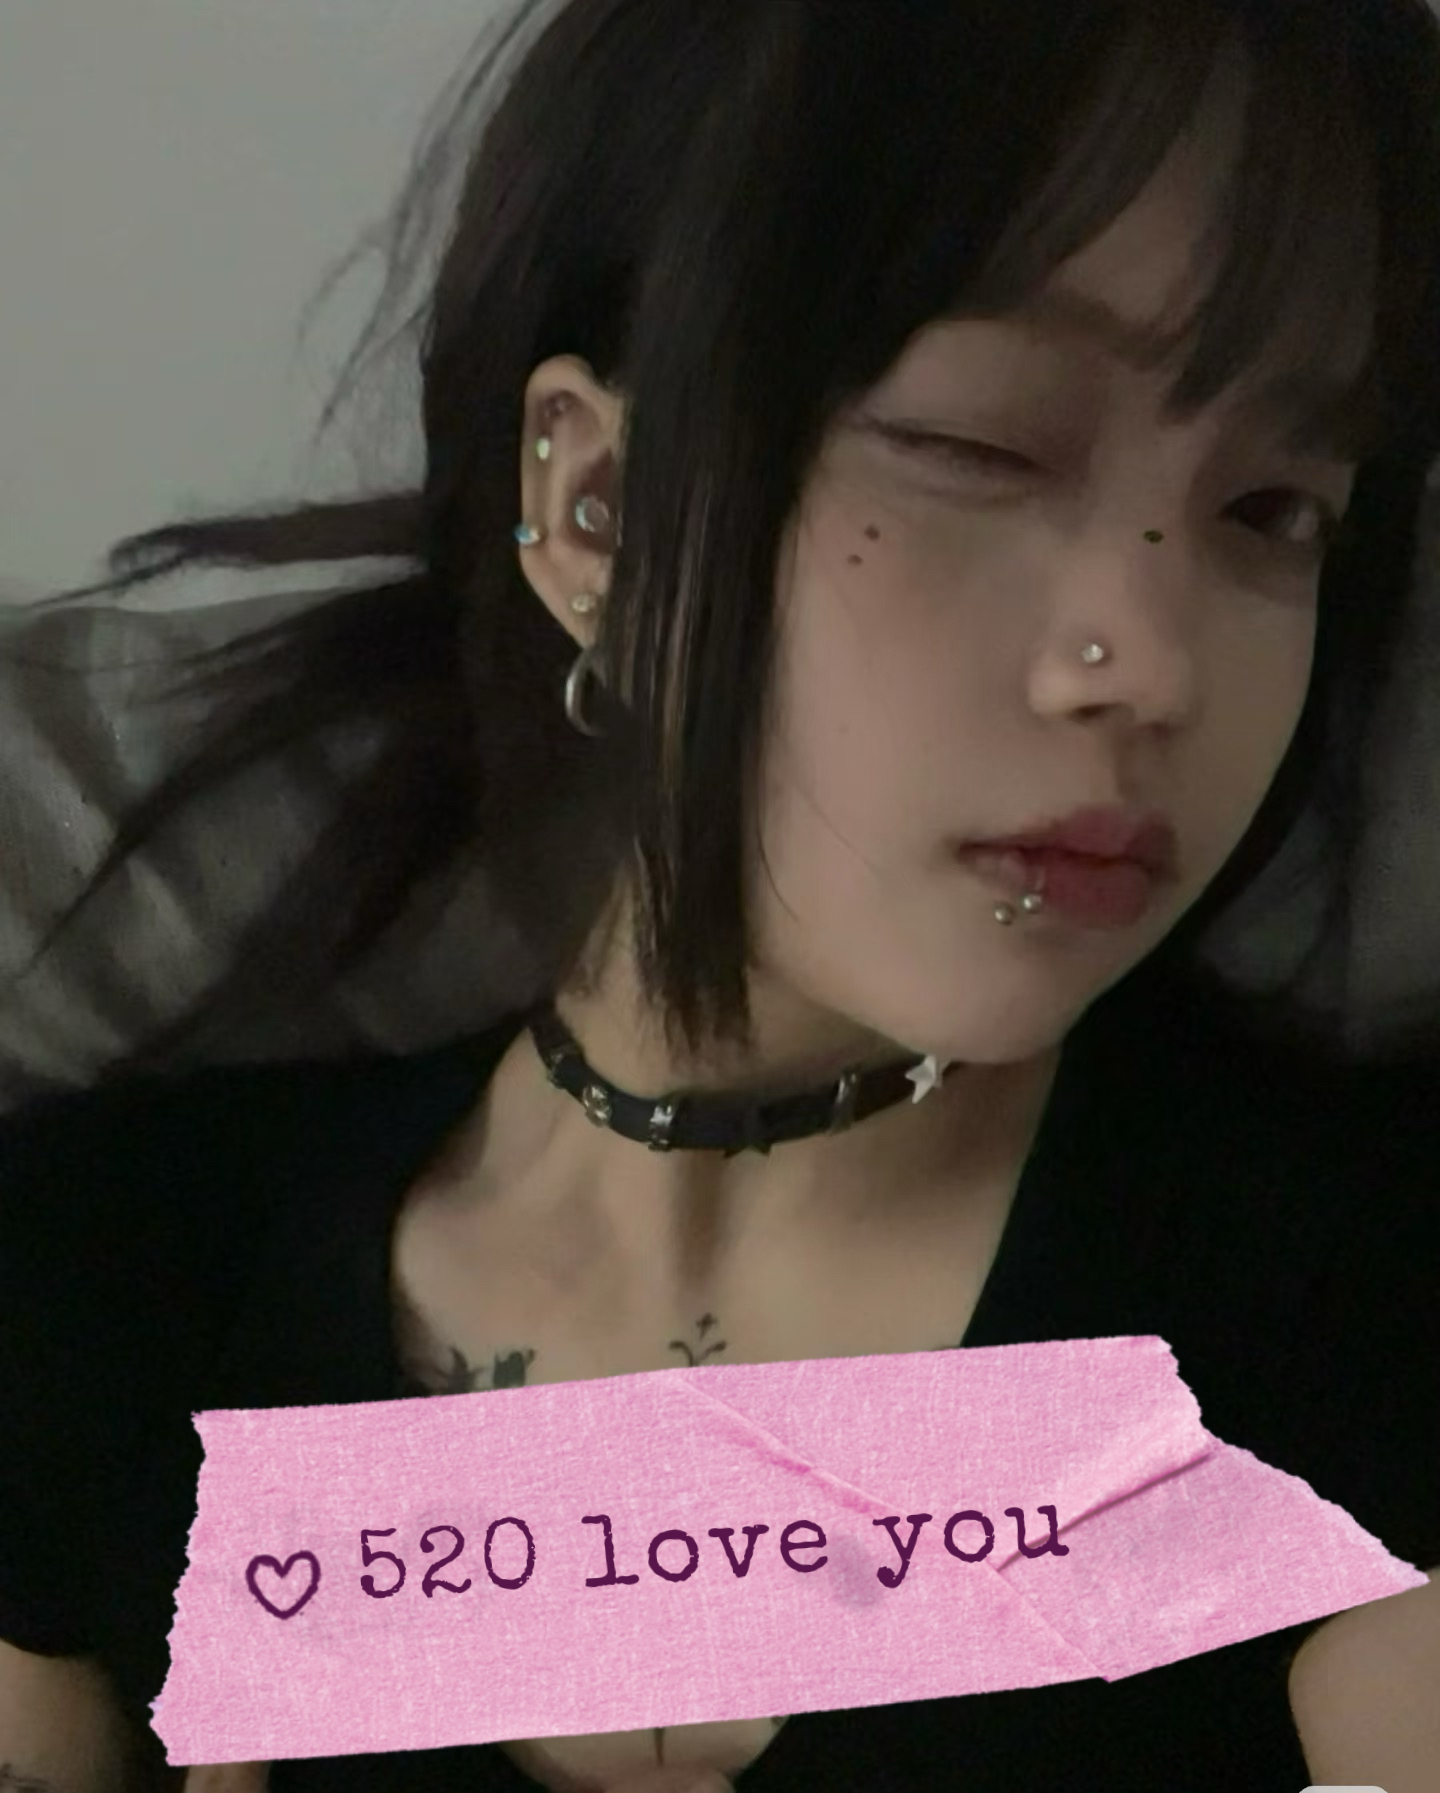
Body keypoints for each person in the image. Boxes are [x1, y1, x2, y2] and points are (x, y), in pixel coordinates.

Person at [3, 0, 1440, 1788]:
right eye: (984, 447)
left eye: (1275, 510)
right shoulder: (104, 1278)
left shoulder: (1366, 1304)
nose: (1153, 662)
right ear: (601, 511)